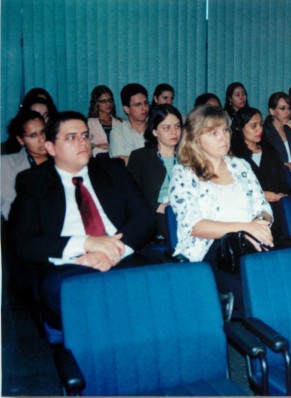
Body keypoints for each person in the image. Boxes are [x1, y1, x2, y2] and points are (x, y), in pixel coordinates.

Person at [8, 111, 155, 323]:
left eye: (85, 135)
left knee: (159, 286)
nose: (82, 142)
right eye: (71, 137)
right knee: (87, 298)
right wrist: (86, 242)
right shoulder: (33, 182)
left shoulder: (112, 169)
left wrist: (112, 252)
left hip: (121, 255)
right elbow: (23, 241)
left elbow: (144, 217)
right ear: (50, 147)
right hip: (68, 265)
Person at [169, 105, 273, 315]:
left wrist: (259, 224)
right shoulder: (184, 174)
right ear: (196, 138)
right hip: (211, 250)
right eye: (213, 133)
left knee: (282, 284)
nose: (223, 138)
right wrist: (246, 229)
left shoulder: (241, 166)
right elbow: (196, 226)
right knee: (256, 294)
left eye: (225, 130)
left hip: (250, 244)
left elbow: (264, 208)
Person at [231, 107, 291, 239]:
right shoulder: (234, 158)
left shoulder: (270, 151)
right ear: (240, 129)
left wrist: (281, 194)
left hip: (276, 209)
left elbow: (283, 182)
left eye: (260, 124)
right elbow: (234, 191)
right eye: (253, 126)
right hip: (247, 214)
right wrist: (262, 195)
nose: (260, 129)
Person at [128, 104, 182, 239]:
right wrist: (158, 206)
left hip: (184, 210)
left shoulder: (188, 157)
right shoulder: (140, 157)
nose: (174, 132)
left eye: (177, 126)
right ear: (154, 131)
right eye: (166, 128)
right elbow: (131, 195)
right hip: (156, 213)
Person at [2, 111, 48, 220]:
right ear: (20, 140)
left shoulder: (60, 158)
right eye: (33, 135)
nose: (42, 139)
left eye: (43, 132)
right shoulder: (6, 164)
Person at [262, 92, 291, 170]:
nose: (287, 112)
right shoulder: (266, 132)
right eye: (282, 108)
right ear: (272, 111)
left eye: (289, 108)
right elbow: (266, 161)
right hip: (278, 174)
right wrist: (286, 165)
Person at [110, 83, 149, 164]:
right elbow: (120, 165)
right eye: (138, 104)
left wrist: (131, 159)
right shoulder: (117, 133)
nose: (144, 108)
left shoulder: (156, 127)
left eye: (146, 103)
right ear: (127, 109)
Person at [87, 85, 122, 157]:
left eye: (110, 100)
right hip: (98, 162)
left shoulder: (120, 122)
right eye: (103, 101)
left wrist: (101, 145)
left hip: (119, 159)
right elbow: (87, 146)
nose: (108, 104)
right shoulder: (88, 123)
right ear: (96, 103)